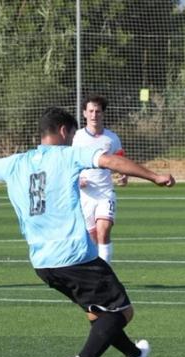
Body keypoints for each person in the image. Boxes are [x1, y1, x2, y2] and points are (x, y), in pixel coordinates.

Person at [0, 107, 175, 357]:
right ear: (63, 131)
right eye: (72, 134)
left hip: (42, 262)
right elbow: (110, 161)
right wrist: (155, 177)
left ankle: (135, 354)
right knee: (123, 311)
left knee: (97, 314)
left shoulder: (13, 163)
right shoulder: (68, 155)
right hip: (74, 255)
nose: (73, 139)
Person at [72, 94, 126, 262]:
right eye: (91, 111)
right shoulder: (76, 138)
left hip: (105, 193)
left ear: (103, 114)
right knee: (93, 238)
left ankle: (106, 274)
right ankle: (97, 270)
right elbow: (69, 163)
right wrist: (76, 180)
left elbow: (120, 160)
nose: (94, 115)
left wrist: (123, 175)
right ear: (84, 113)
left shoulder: (112, 138)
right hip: (84, 195)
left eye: (98, 111)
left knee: (103, 231)